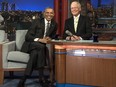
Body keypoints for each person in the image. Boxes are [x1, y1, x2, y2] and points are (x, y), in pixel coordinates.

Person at [17, 7, 57, 87]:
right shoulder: (37, 21)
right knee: (41, 47)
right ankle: (41, 78)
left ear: (54, 14)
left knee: (35, 54)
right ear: (44, 13)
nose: (49, 14)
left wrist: (50, 38)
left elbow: (53, 36)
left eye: (51, 13)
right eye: (47, 12)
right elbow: (27, 37)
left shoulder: (54, 24)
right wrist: (39, 39)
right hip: (30, 44)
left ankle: (23, 79)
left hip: (39, 49)